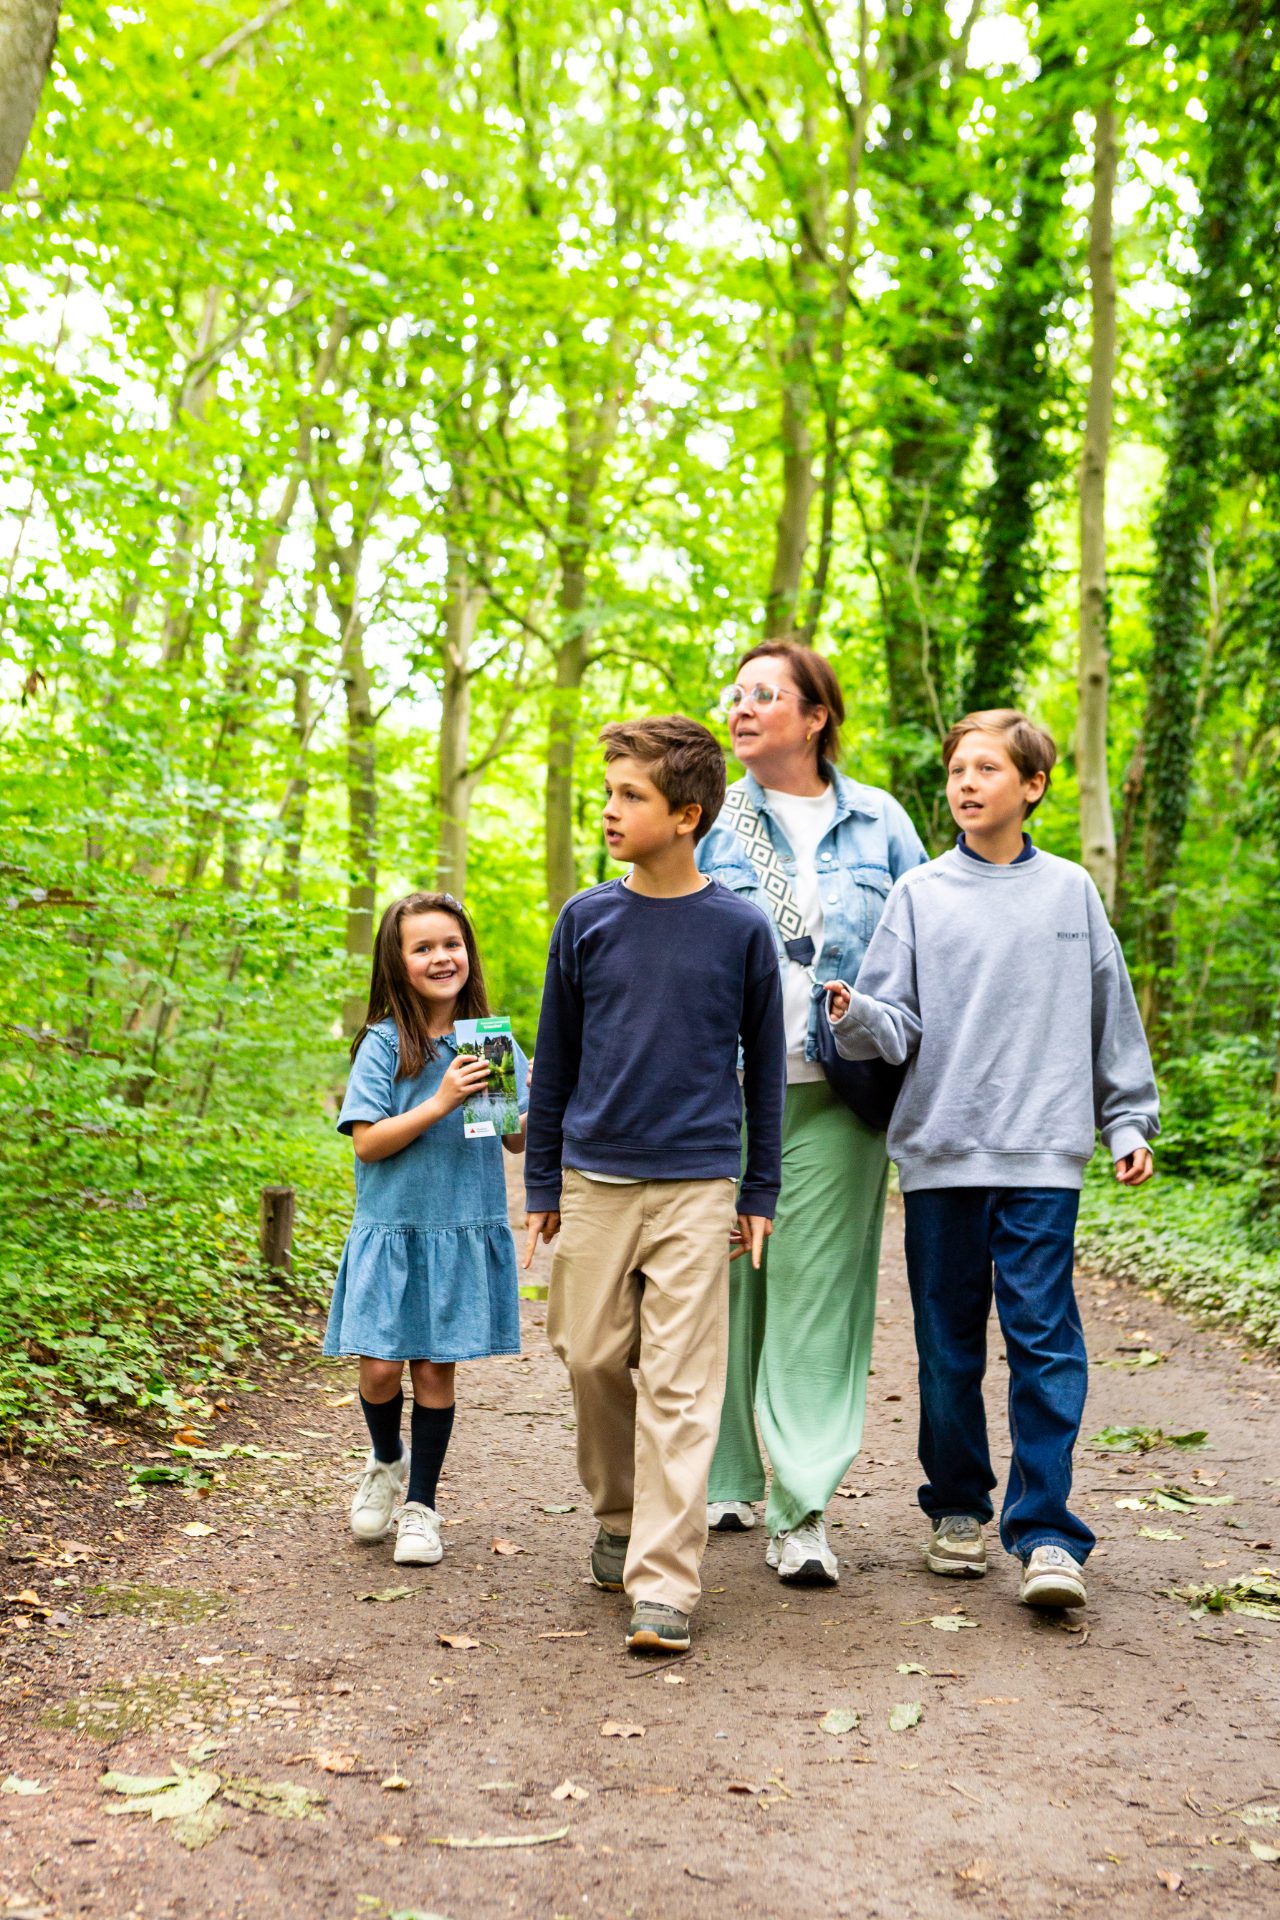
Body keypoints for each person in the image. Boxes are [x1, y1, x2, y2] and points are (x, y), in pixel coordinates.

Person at [823, 710, 1158, 1610]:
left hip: (1044, 1152)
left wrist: (1127, 1122)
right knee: (948, 1347)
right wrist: (854, 1012)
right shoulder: (920, 895)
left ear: (1032, 786)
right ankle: (958, 1510)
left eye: (987, 769)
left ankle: (1047, 1532)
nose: (966, 784)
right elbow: (893, 1025)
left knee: (1045, 1339)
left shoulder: (1070, 893)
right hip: (940, 1154)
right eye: (957, 770)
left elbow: (1108, 1014)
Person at [524, 716, 785, 1654]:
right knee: (592, 1357)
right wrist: (544, 1175)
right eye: (608, 792)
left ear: (687, 815)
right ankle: (622, 1514)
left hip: (698, 1185)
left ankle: (666, 1583)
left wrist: (758, 1193)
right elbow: (553, 1061)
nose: (609, 809)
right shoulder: (585, 920)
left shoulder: (741, 931)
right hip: (595, 1178)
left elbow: (765, 1074)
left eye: (629, 795)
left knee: (681, 1384)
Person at [696, 641, 926, 1583]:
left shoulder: (881, 823)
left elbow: (929, 947)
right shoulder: (705, 820)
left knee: (816, 1299)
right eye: (736, 694)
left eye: (765, 694)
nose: (742, 707)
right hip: (720, 1099)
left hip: (839, 1098)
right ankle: (723, 1476)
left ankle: (802, 1508)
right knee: (721, 1293)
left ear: (815, 715)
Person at [324, 891, 529, 1568]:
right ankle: (385, 1458)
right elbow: (367, 1143)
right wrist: (442, 1100)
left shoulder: (489, 1040)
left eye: (452, 944)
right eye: (424, 947)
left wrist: (519, 1101)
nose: (442, 957)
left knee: (434, 1369)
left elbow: (517, 1140)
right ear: (397, 961)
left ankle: (422, 1506)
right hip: (394, 1227)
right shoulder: (385, 1045)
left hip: (457, 1226)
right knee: (381, 1367)